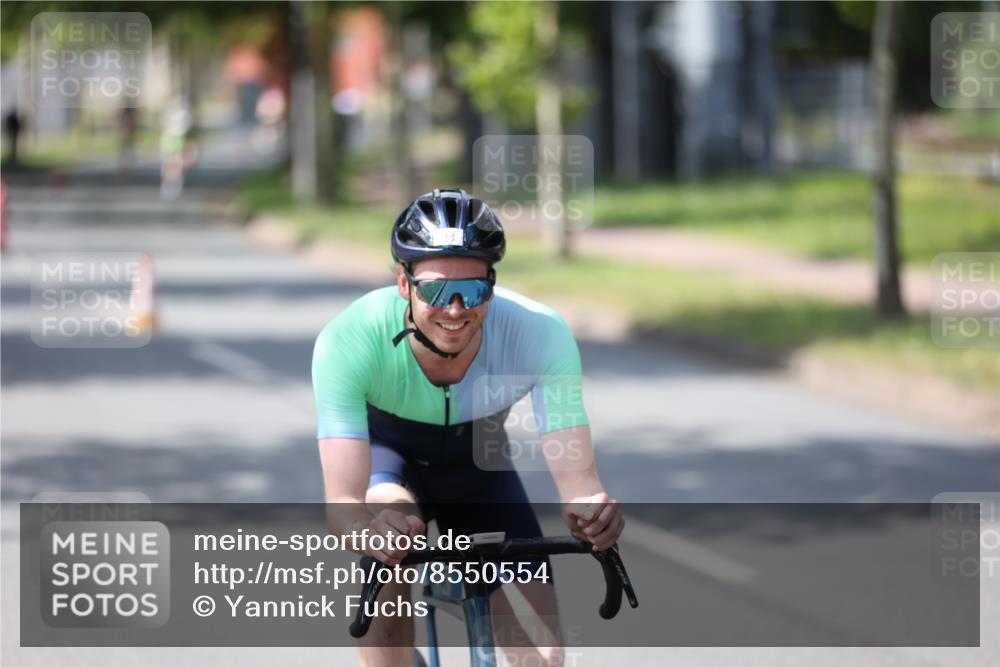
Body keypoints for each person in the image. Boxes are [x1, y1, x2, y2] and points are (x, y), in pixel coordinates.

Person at [312, 188, 624, 667]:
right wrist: (369, 532)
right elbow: (344, 507)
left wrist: (594, 516)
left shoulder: (541, 334)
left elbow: (580, 486)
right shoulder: (349, 340)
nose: (455, 308)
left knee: (541, 657)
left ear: (492, 286)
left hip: (481, 470)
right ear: (403, 282)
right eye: (436, 289)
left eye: (474, 290)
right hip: (389, 467)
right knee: (390, 542)